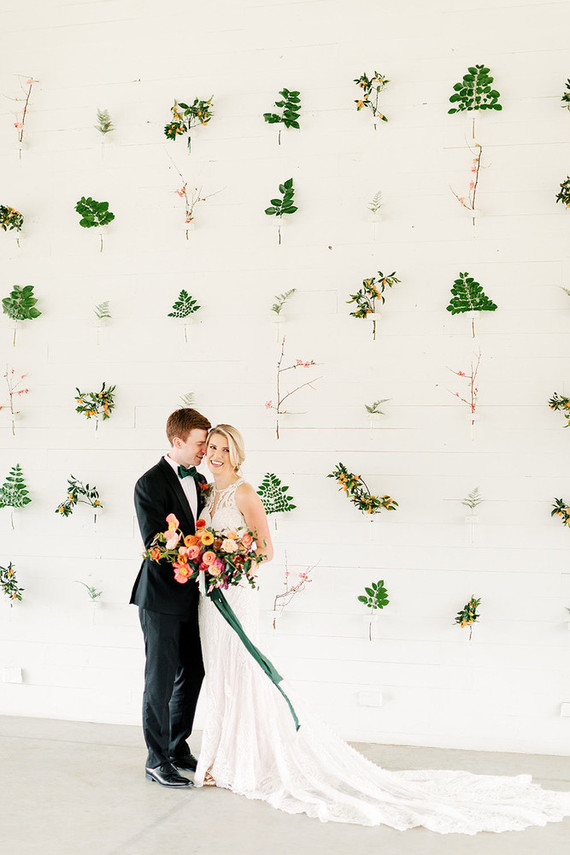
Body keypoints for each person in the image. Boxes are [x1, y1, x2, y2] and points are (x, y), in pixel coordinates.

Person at [194, 423, 570, 833]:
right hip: (209, 599)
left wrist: (230, 564)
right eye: (211, 447)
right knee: (219, 669)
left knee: (244, 669)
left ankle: (245, 758)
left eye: (223, 448)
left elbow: (265, 550)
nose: (216, 454)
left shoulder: (244, 492)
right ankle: (217, 756)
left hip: (236, 594)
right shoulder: (207, 493)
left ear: (237, 453)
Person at [131, 408, 211, 788]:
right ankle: (155, 758)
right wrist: (194, 552)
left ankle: (178, 747)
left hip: (193, 596)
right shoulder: (149, 484)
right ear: (177, 442)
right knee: (159, 680)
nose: (204, 450)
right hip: (160, 596)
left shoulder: (202, 481)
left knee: (194, 671)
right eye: (199, 443)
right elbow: (154, 545)